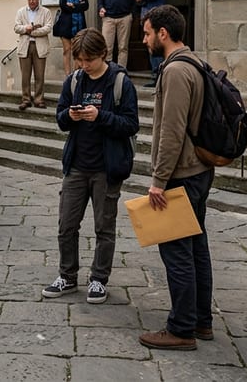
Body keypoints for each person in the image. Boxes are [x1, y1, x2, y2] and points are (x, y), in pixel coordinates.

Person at [43, 29, 139, 305]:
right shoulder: (74, 81)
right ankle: (67, 275)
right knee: (66, 225)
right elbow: (60, 119)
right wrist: (71, 116)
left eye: (88, 60)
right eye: (79, 60)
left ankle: (98, 279)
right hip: (76, 165)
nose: (83, 65)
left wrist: (100, 116)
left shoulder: (120, 82)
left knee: (104, 227)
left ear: (103, 55)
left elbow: (131, 124)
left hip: (106, 168)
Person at [138, 5, 212, 351]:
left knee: (178, 252)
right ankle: (201, 321)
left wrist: (158, 179)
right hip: (196, 171)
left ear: (163, 33)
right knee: (196, 247)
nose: (145, 39)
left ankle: (181, 329)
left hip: (181, 174)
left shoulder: (176, 71)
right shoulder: (193, 62)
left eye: (148, 32)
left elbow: (171, 130)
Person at [13, 0, 54, 110]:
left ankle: (39, 99)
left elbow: (48, 28)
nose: (31, 1)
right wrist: (27, 28)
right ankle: (26, 99)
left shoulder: (45, 12)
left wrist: (33, 32)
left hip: (40, 46)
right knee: (25, 76)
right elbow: (16, 27)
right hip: (25, 46)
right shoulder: (21, 12)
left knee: (39, 75)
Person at [97, 0, 140, 68]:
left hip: (125, 17)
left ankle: (121, 71)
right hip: (108, 18)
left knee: (123, 47)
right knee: (107, 47)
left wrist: (132, 14)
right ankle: (108, 72)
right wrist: (101, 7)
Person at [138, 0, 170, 79]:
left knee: (155, 45)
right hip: (149, 19)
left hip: (155, 20)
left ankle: (158, 74)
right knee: (151, 46)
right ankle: (155, 74)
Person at [55, 0, 89, 76]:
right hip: (65, 26)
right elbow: (63, 6)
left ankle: (76, 73)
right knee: (67, 50)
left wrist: (73, 5)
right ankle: (68, 74)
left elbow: (86, 6)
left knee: (77, 51)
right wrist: (78, 6)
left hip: (79, 26)